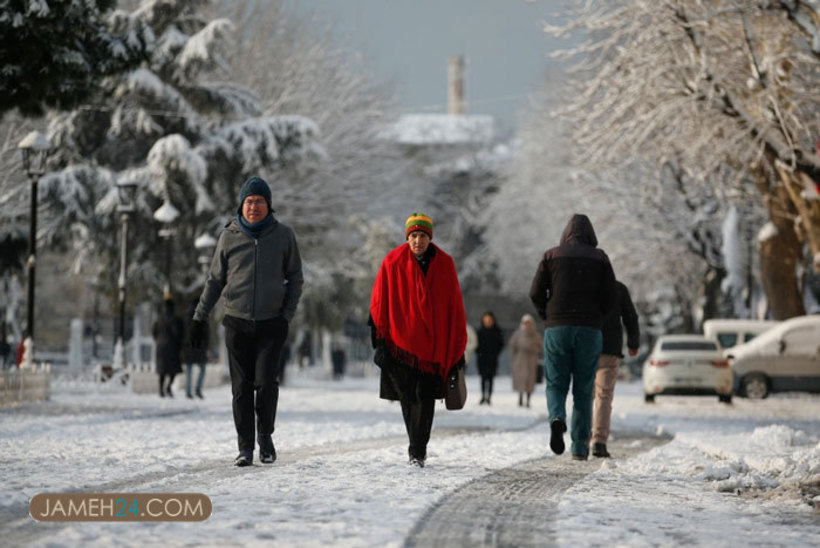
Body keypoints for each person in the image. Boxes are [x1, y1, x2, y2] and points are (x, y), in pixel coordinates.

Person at [190, 176, 303, 467]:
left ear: (268, 205)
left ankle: (265, 435)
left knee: (266, 383)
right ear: (242, 205)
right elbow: (215, 280)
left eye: (259, 201)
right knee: (241, 388)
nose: (254, 206)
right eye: (249, 201)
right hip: (237, 322)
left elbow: (296, 278)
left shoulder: (283, 236)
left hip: (271, 323)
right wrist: (199, 317)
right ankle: (245, 448)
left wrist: (286, 314)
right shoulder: (229, 236)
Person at [369, 213, 467, 467]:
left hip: (433, 348)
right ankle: (416, 445)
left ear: (429, 238)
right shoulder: (392, 262)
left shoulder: (445, 264)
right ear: (407, 237)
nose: (417, 241)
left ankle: (418, 449)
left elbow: (454, 306)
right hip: (400, 345)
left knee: (425, 398)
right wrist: (380, 341)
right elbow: (379, 303)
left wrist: (457, 347)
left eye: (422, 236)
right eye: (413, 236)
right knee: (407, 398)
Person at [529, 213, 616, 461]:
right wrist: (597, 317)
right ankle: (579, 446)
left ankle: (557, 416)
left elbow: (535, 291)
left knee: (556, 383)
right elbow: (611, 297)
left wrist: (548, 314)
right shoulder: (600, 258)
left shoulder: (550, 255)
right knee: (584, 388)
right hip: (589, 329)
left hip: (557, 327)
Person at [592, 280, 640, 458]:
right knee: (604, 396)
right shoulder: (618, 288)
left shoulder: (583, 285)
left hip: (585, 347)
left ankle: (581, 441)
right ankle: (599, 442)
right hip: (610, 348)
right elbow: (630, 316)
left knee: (584, 395)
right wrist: (633, 343)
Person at [509, 313, 543, 408]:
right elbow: (512, 346)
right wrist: (514, 358)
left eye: (529, 323)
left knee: (530, 380)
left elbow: (540, 346)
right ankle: (520, 397)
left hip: (531, 359)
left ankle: (528, 400)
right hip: (520, 360)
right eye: (526, 323)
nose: (527, 324)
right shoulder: (518, 333)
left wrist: (535, 351)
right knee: (520, 379)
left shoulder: (536, 334)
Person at [153, 297, 184, 398]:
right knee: (173, 370)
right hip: (172, 348)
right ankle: (168, 387)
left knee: (162, 370)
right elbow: (177, 333)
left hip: (160, 347)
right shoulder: (175, 319)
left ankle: (161, 390)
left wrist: (158, 340)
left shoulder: (159, 319)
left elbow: (154, 332)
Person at [475, 311, 504, 405]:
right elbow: (475, 345)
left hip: (492, 359)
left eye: (490, 320)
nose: (488, 322)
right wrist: (479, 352)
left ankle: (489, 397)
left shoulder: (497, 331)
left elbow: (501, 344)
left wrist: (495, 353)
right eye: (486, 320)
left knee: (491, 379)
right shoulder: (479, 332)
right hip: (482, 359)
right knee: (483, 378)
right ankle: (483, 396)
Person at [183, 297, 209, 399]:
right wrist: (206, 346)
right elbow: (206, 333)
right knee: (202, 369)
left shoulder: (186, 317)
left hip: (189, 346)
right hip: (199, 347)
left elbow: (183, 333)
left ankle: (188, 392)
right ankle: (198, 389)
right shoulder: (202, 316)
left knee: (189, 371)